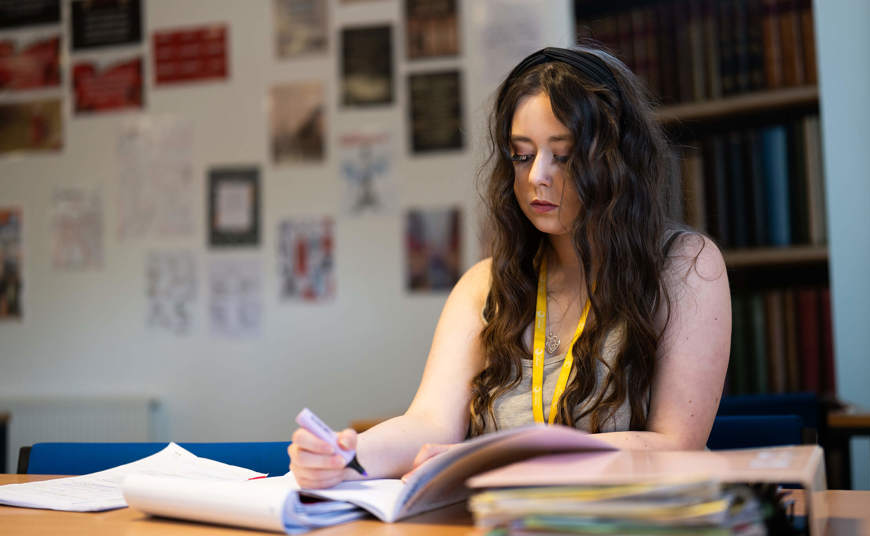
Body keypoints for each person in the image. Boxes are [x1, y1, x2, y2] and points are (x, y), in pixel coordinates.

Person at [288, 46, 731, 489]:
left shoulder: (686, 266)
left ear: (618, 162)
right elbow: (428, 423)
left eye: (564, 155)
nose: (537, 175)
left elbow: (675, 445)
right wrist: (347, 455)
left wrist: (499, 458)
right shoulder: (484, 285)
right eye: (522, 155)